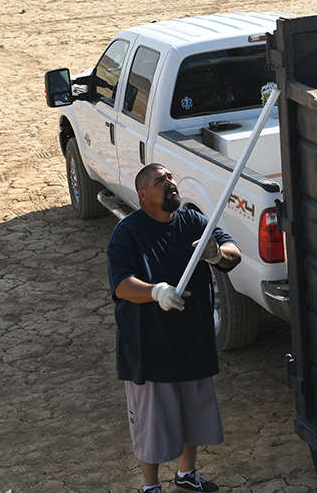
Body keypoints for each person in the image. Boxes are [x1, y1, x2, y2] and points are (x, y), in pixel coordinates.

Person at [107, 163, 242, 493]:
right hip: (149, 348)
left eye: (169, 177)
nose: (170, 183)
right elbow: (122, 285)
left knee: (191, 415)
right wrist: (155, 292)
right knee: (151, 425)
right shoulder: (128, 232)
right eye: (159, 181)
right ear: (143, 194)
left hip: (192, 340)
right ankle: (151, 486)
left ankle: (186, 475)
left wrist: (215, 254)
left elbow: (232, 253)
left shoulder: (192, 221)